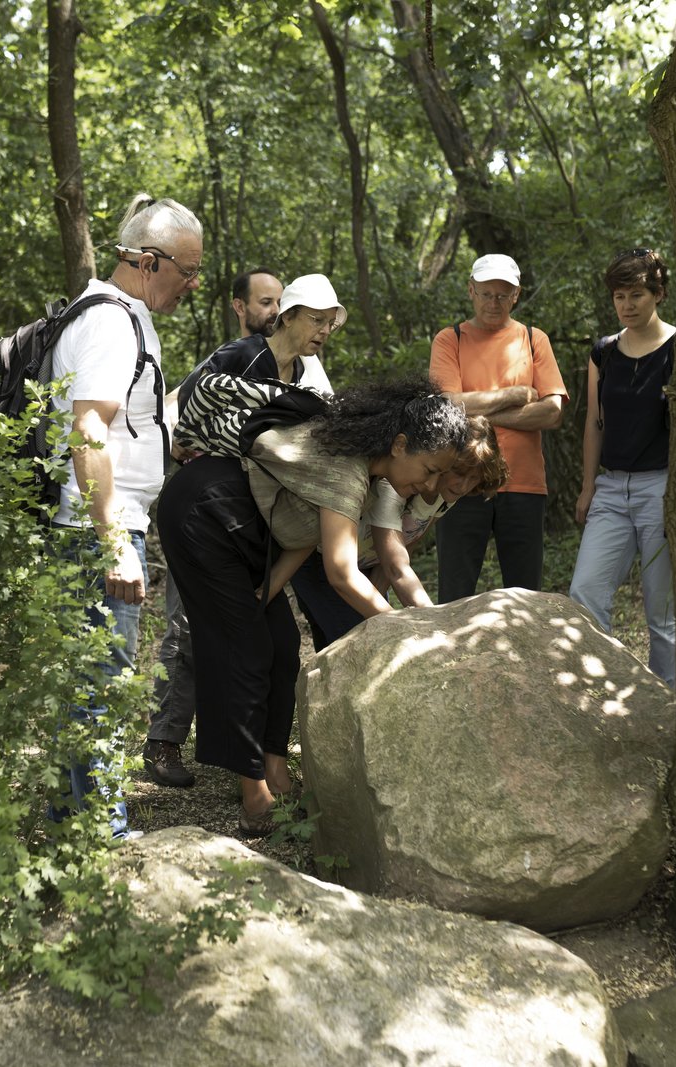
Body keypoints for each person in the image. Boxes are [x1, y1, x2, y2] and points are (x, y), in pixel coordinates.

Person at [158, 377, 468, 836]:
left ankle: (276, 772)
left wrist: (266, 594)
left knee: (282, 642)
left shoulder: (362, 470)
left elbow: (304, 535)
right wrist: (407, 628)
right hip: (204, 514)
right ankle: (254, 795)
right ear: (400, 444)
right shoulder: (348, 470)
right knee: (246, 649)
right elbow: (343, 574)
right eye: (430, 468)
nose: (431, 483)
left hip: (243, 532)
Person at [143, 272, 337, 788]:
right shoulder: (239, 355)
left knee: (266, 641)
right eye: (315, 320)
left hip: (256, 518)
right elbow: (191, 405)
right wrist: (182, 442)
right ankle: (166, 742)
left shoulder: (308, 374)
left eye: (330, 323)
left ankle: (257, 764)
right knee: (191, 631)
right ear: (288, 316)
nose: (323, 331)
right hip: (205, 511)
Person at [50, 192, 202, 836]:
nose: (193, 285)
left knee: (84, 684)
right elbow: (88, 428)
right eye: (186, 271)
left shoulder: (118, 317)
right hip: (99, 532)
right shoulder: (114, 321)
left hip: (93, 526)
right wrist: (115, 540)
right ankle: (104, 838)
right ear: (146, 259)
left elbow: (119, 423)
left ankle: (73, 825)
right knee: (103, 688)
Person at [291, 421, 510, 648]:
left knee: (361, 636)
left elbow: (406, 544)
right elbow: (396, 567)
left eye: (474, 477)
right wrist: (435, 624)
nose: (464, 485)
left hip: (365, 565)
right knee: (349, 639)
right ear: (445, 460)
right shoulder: (396, 486)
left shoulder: (447, 494)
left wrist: (380, 607)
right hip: (320, 560)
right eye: (459, 472)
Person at [430, 253, 568, 601]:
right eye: (486, 293)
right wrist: (515, 395)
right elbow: (447, 405)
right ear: (471, 290)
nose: (494, 302)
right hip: (461, 481)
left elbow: (552, 413)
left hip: (523, 483)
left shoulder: (535, 339)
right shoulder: (451, 339)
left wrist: (477, 410)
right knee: (454, 594)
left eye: (502, 295)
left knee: (525, 598)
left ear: (516, 295)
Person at [569, 248, 676, 686]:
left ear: (659, 294)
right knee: (584, 594)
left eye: (637, 294)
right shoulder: (604, 353)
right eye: (619, 296)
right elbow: (595, 424)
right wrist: (587, 487)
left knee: (662, 614)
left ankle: (666, 707)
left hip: (662, 488)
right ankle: (601, 691)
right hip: (611, 490)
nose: (627, 305)